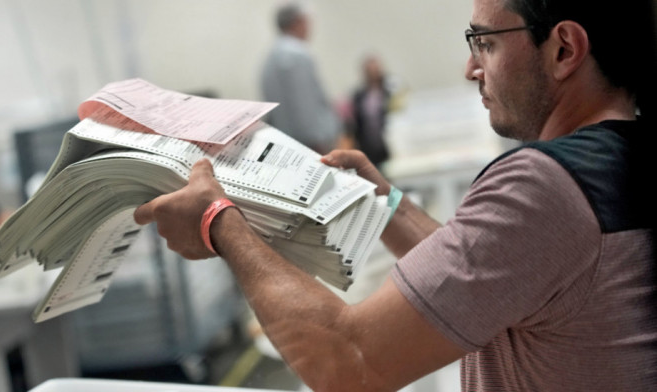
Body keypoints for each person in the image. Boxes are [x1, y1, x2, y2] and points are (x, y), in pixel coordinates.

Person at [134, 0, 657, 390]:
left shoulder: (543, 187)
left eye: (486, 43)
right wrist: (381, 203)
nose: (471, 69)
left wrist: (218, 220)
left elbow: (349, 361)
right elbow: (490, 278)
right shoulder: (616, 162)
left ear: (564, 49)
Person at [259, 2, 343, 155]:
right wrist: (317, 142)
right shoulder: (297, 54)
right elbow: (304, 106)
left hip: (288, 143)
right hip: (310, 145)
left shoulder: (271, 56)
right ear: (297, 22)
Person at [348, 54, 391, 168]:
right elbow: (356, 122)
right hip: (368, 144)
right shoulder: (359, 95)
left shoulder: (390, 90)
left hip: (388, 141)